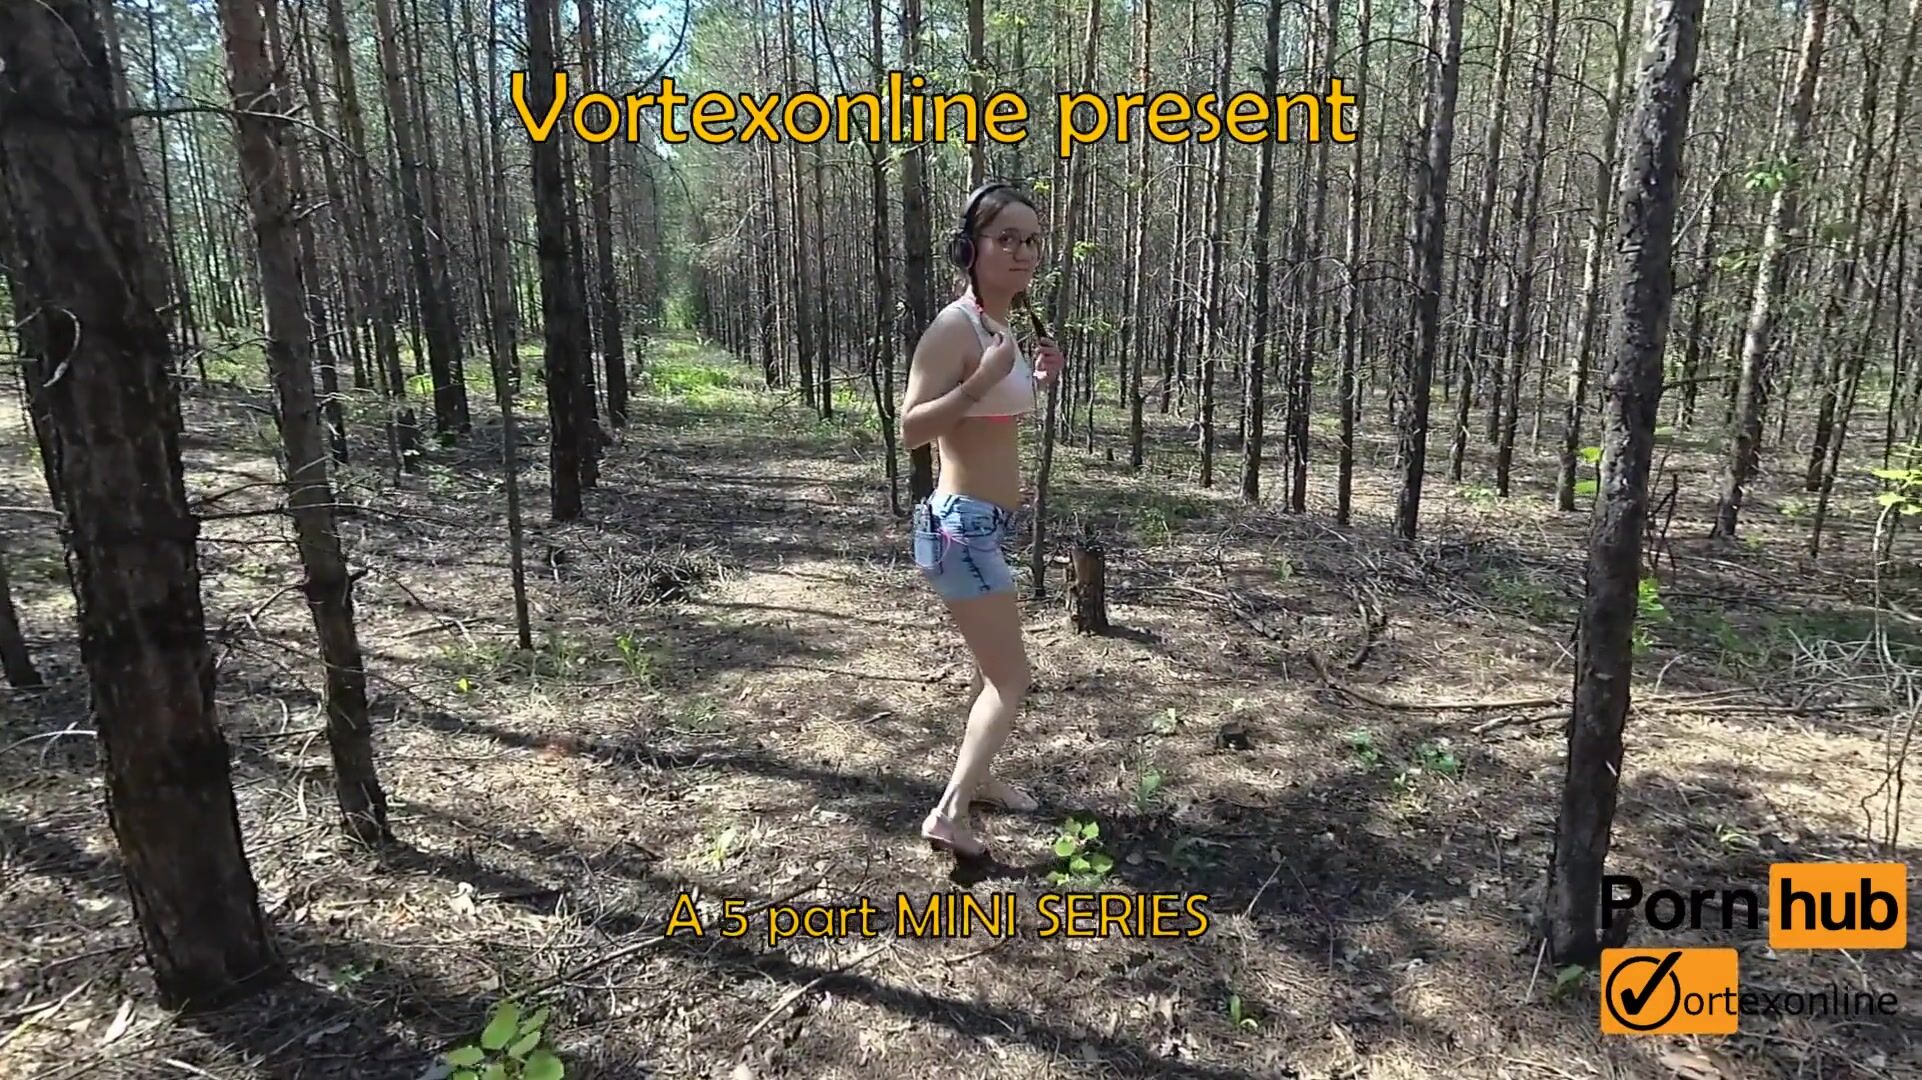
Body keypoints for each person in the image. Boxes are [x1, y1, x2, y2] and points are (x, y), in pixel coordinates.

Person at [898, 181, 1066, 861]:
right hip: (957, 528)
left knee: (987, 667)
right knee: (1011, 678)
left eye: (1032, 240)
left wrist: (1037, 379)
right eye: (1006, 239)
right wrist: (977, 382)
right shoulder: (954, 327)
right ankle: (948, 813)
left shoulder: (1000, 329)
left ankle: (982, 777)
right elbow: (912, 429)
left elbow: (991, 418)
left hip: (981, 528)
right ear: (970, 250)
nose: (1023, 252)